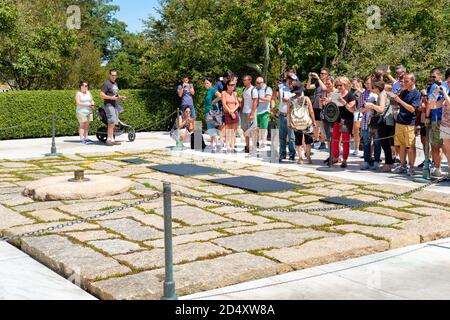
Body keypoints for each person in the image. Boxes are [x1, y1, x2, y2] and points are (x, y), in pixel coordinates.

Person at [390, 73, 421, 176]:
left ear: (413, 81)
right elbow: (395, 104)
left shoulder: (416, 93)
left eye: (407, 81)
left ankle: (412, 168)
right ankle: (403, 166)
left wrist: (400, 101)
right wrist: (394, 99)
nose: (404, 83)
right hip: (400, 121)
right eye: (404, 81)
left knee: (411, 146)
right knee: (401, 145)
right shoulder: (403, 92)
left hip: (409, 123)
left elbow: (412, 109)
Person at [363, 81, 395, 171]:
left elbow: (381, 109)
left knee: (385, 144)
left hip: (384, 121)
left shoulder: (381, 95)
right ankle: (388, 163)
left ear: (376, 88)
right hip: (387, 121)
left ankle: (388, 164)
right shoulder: (384, 93)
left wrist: (371, 105)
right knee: (385, 143)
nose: (371, 89)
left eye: (372, 87)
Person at [426, 68, 449, 177]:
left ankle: (440, 168)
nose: (432, 79)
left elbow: (432, 103)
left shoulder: (442, 86)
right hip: (436, 118)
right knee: (437, 145)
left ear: (440, 76)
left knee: (442, 146)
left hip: (441, 119)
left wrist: (427, 116)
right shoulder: (435, 87)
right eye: (431, 76)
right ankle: (437, 168)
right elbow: (431, 103)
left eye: (434, 77)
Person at [288, 86, 316, 164]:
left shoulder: (291, 100)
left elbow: (288, 112)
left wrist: (289, 122)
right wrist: (314, 121)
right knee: (308, 140)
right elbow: (311, 111)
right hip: (306, 122)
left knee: (298, 141)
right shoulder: (306, 99)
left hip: (296, 122)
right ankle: (308, 157)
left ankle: (300, 158)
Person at [332, 77, 356, 168]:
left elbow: (352, 109)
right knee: (335, 140)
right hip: (337, 119)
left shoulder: (350, 95)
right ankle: (335, 158)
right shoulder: (336, 94)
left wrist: (343, 102)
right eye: (337, 85)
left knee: (345, 141)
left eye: (340, 85)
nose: (339, 87)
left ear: (345, 85)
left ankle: (345, 160)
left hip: (347, 120)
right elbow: (333, 106)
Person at [100, 69, 127, 146]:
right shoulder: (106, 83)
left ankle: (112, 139)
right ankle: (108, 139)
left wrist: (121, 97)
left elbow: (116, 95)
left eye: (115, 75)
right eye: (112, 75)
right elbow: (101, 94)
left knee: (114, 122)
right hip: (109, 105)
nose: (114, 77)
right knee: (111, 121)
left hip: (115, 105)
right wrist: (111, 98)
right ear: (109, 75)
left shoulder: (115, 84)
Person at [359, 76, 379, 170]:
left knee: (377, 142)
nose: (368, 85)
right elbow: (360, 108)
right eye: (366, 83)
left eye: (369, 83)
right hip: (366, 121)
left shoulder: (378, 93)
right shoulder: (363, 94)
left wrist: (372, 106)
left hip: (376, 121)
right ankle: (366, 160)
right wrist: (367, 108)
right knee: (366, 142)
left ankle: (376, 161)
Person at [307, 68, 328, 151]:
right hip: (315, 106)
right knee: (315, 124)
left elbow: (324, 88)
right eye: (320, 73)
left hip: (322, 107)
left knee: (322, 125)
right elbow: (308, 87)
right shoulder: (317, 82)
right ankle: (316, 141)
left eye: (323, 73)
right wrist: (310, 78)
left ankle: (323, 142)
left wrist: (318, 78)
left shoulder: (327, 82)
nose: (321, 74)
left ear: (327, 75)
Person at [278, 76, 296, 161]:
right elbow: (283, 99)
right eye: (288, 80)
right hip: (282, 114)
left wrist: (289, 100)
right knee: (282, 136)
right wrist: (291, 100)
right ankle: (282, 153)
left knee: (291, 137)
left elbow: (296, 101)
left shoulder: (297, 90)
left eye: (291, 80)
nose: (289, 82)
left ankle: (292, 154)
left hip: (291, 116)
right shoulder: (282, 88)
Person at [240, 75, 258, 153]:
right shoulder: (244, 89)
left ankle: (253, 146)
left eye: (245, 80)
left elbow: (255, 102)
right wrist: (241, 110)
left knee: (252, 130)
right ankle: (247, 146)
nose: (244, 81)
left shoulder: (253, 90)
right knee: (245, 130)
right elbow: (243, 100)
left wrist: (252, 113)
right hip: (244, 112)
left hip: (250, 112)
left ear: (250, 80)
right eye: (243, 80)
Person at [203, 78, 222, 152]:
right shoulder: (208, 91)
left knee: (211, 128)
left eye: (207, 83)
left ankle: (215, 144)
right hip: (209, 111)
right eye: (205, 83)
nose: (206, 85)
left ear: (211, 83)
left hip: (212, 111)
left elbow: (220, 96)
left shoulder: (212, 89)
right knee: (212, 128)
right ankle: (214, 144)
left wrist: (214, 101)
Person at [255, 77, 274, 149]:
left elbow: (268, 99)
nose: (259, 84)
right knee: (255, 127)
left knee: (264, 128)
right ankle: (256, 141)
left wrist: (258, 98)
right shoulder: (255, 89)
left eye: (260, 83)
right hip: (256, 111)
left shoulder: (267, 89)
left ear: (263, 82)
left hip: (264, 111)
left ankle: (263, 142)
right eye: (257, 82)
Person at [222, 78, 240, 152]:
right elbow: (224, 104)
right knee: (228, 131)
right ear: (227, 85)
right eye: (231, 85)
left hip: (234, 113)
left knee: (234, 131)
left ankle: (232, 146)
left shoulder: (234, 93)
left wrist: (233, 111)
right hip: (227, 113)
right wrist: (230, 112)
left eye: (233, 85)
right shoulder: (224, 93)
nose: (232, 86)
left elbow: (237, 103)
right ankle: (228, 146)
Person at [440, 79, 450, 177]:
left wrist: (444, 92)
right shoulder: (447, 93)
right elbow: (435, 105)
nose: (448, 84)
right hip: (445, 125)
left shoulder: (446, 94)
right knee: (447, 149)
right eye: (447, 82)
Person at [351, 78, 364, 156]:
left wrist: (358, 89)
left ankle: (359, 148)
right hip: (355, 111)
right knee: (355, 131)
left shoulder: (362, 90)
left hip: (361, 111)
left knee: (359, 130)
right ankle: (356, 148)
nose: (353, 85)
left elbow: (362, 97)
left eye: (355, 83)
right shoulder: (352, 91)